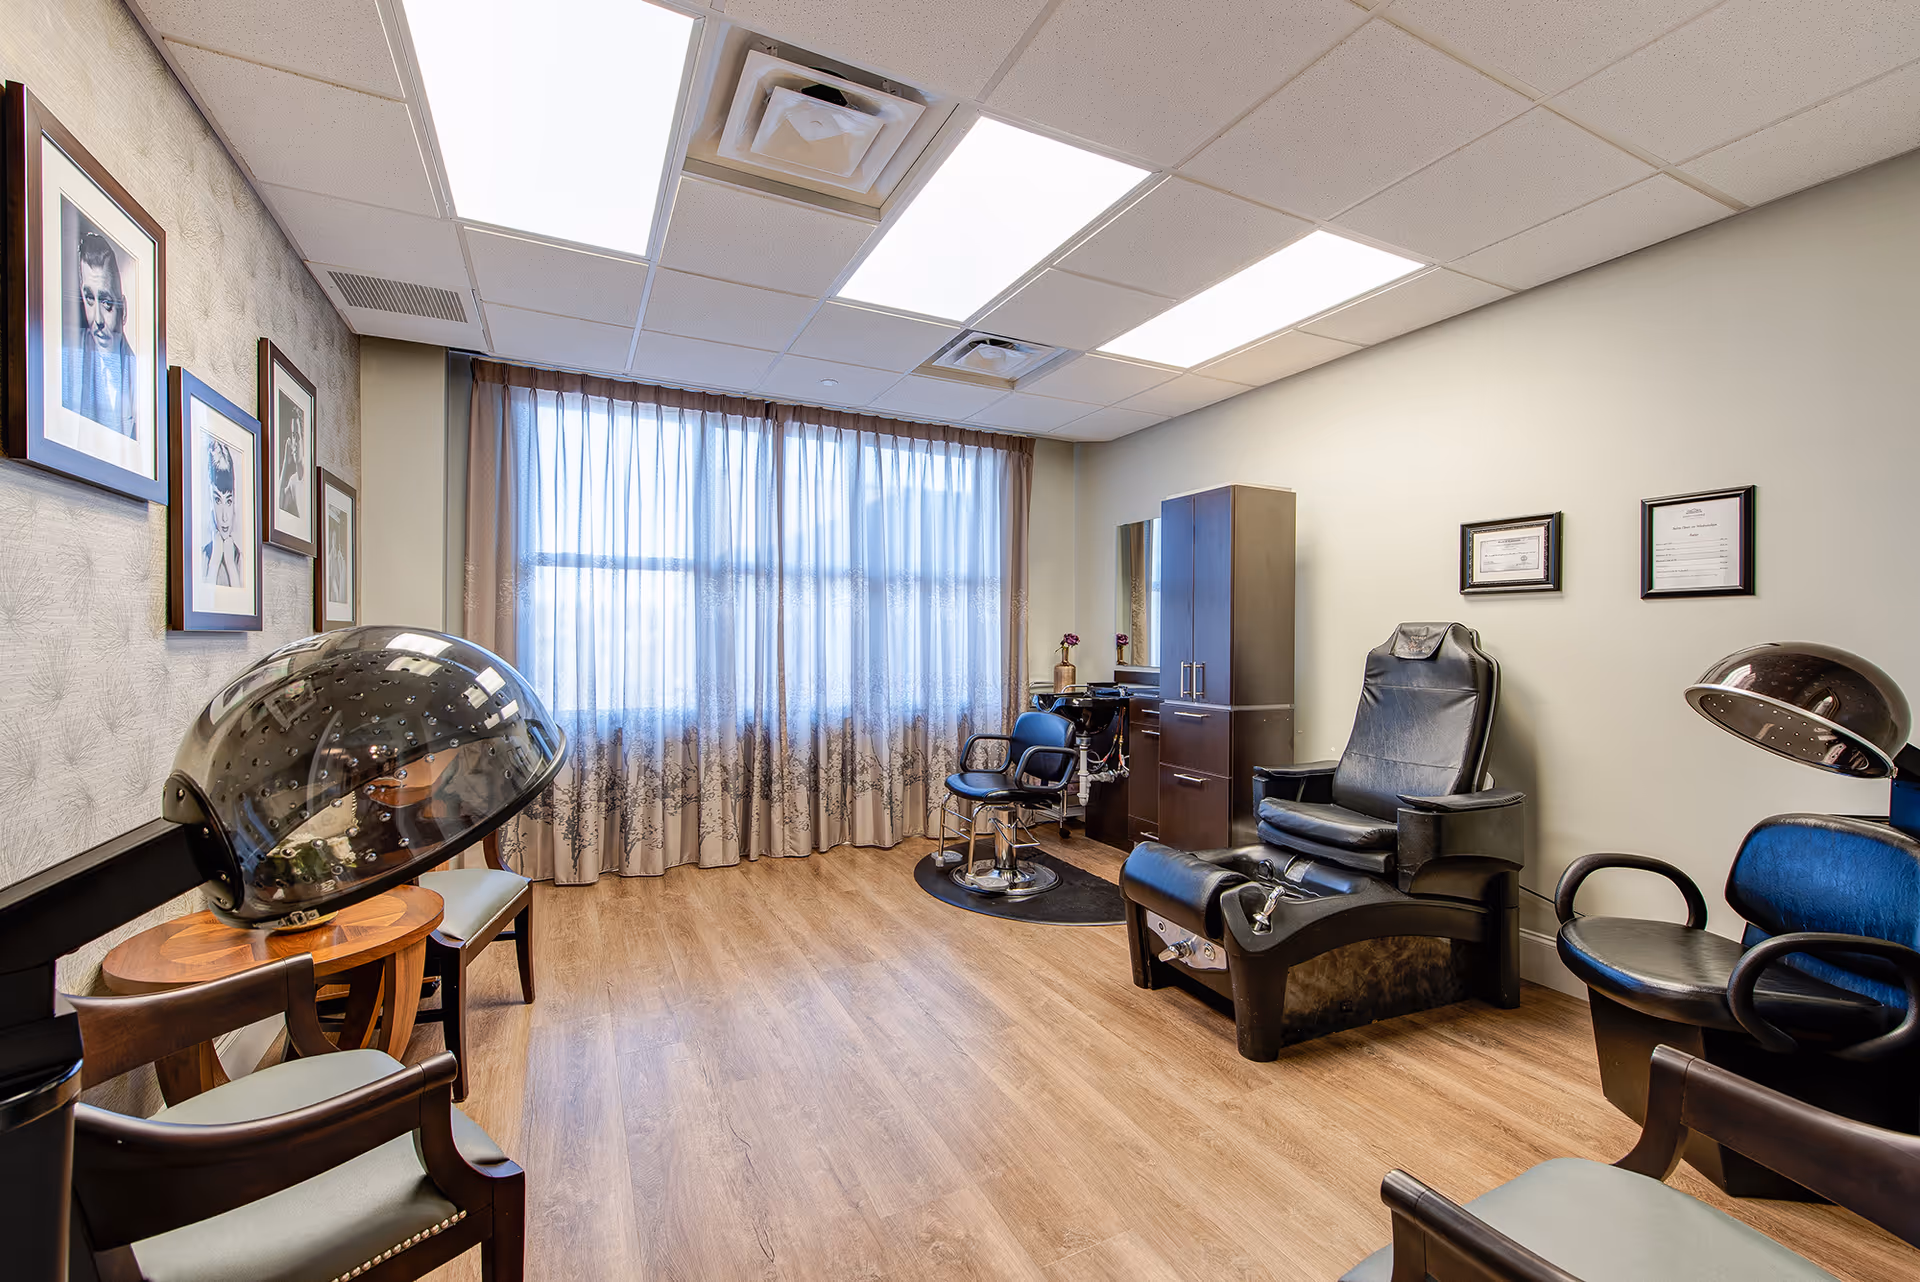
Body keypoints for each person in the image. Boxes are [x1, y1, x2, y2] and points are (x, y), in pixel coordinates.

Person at [61, 228, 138, 437]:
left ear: (123, 309)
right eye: (89, 299)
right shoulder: (66, 360)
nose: (97, 320)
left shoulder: (142, 378)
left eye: (106, 303)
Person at [200, 441, 242, 587]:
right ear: (211, 502)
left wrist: (231, 565)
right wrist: (214, 562)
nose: (224, 517)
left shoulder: (238, 557)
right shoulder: (203, 556)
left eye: (228, 501)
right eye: (218, 500)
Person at [277, 398, 306, 520]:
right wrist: (285, 462)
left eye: (297, 436)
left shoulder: (308, 482)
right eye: (293, 436)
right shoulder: (293, 481)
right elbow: (279, 504)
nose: (294, 443)